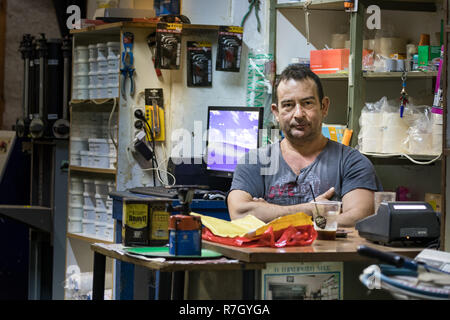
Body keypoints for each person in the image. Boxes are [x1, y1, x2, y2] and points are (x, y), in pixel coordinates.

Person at [227, 64, 383, 227]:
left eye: (307, 103)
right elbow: (239, 214)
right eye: (288, 105)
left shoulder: (352, 162)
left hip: (327, 251)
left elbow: (358, 219)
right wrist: (312, 210)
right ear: (276, 112)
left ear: (324, 107)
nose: (299, 114)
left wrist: (266, 212)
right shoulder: (254, 162)